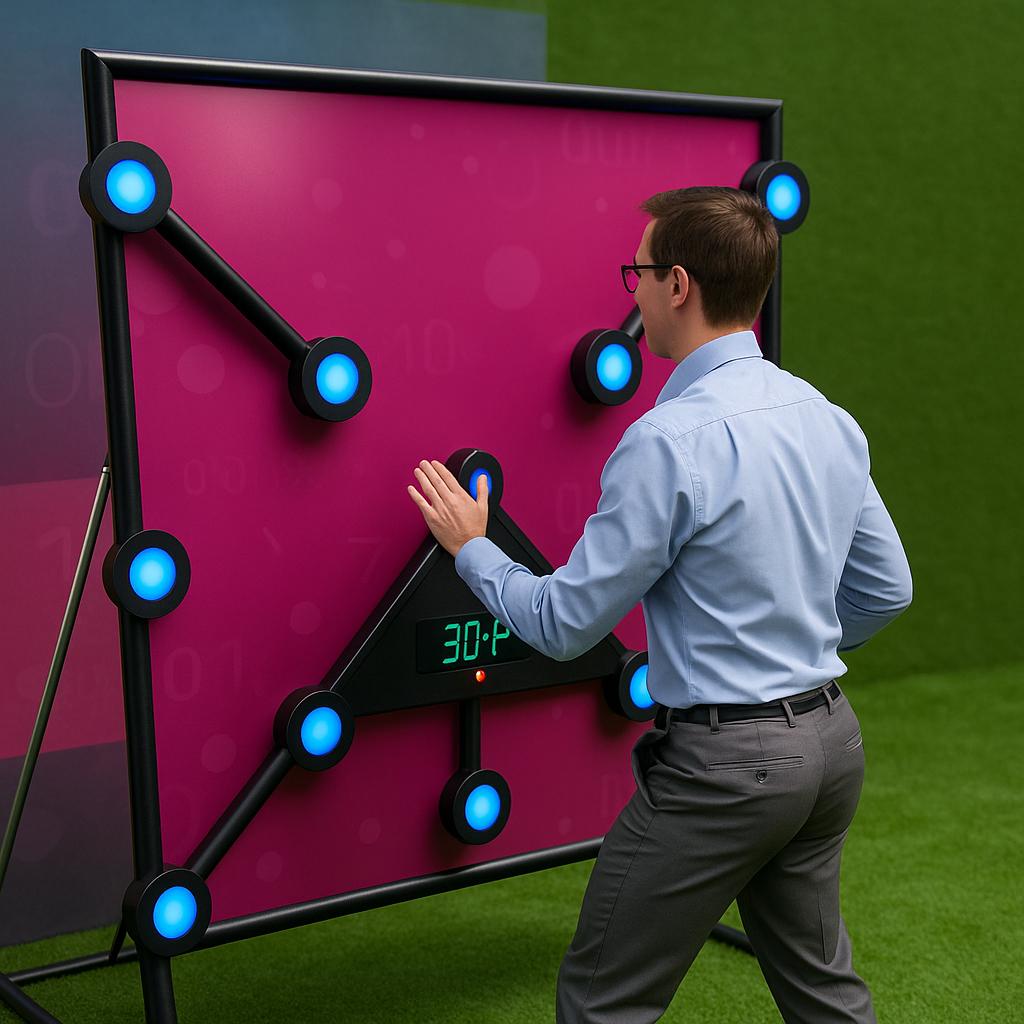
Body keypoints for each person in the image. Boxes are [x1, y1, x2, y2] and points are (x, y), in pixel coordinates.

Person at [407, 186, 912, 1023]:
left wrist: (473, 548)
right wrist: (796, 652)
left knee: (602, 1002)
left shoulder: (667, 441)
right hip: (831, 748)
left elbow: (564, 626)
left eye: (636, 272)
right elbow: (887, 589)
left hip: (727, 774)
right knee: (826, 996)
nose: (631, 291)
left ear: (677, 285)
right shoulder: (828, 418)